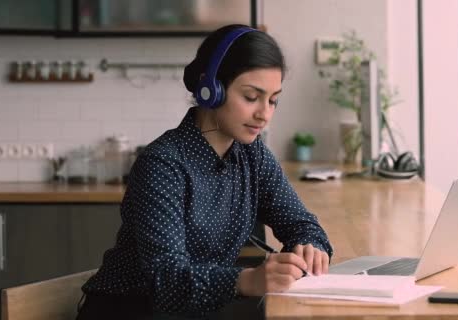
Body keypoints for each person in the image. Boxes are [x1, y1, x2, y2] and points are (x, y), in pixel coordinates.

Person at [76, 24, 333, 320]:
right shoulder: (162, 163)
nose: (265, 114)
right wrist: (249, 280)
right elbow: (167, 281)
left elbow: (301, 224)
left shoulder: (254, 154)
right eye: (251, 97)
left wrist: (311, 247)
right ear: (210, 89)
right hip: (129, 312)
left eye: (273, 100)